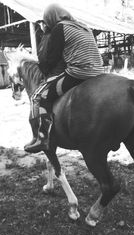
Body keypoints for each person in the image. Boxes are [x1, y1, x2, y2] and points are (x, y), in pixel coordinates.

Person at [24, 3, 104, 153]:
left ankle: (43, 138)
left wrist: (42, 68)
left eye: (46, 19)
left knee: (41, 96)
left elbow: (53, 58)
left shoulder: (59, 28)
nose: (46, 23)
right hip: (98, 70)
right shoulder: (83, 26)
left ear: (51, 18)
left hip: (78, 72)